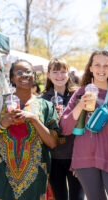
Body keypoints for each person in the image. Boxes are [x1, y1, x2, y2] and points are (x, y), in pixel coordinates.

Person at [0, 59, 61, 199]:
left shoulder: (46, 106)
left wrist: (34, 119)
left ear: (34, 76)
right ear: (12, 79)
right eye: (19, 72)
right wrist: (2, 124)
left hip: (35, 184)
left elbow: (52, 143)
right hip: (0, 181)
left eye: (28, 71)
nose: (24, 75)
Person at [60, 50, 108, 200]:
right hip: (84, 161)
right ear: (91, 68)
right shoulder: (80, 93)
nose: (101, 69)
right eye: (97, 65)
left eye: (106, 65)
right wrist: (80, 105)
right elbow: (64, 127)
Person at [40, 58, 84, 200]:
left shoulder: (78, 95)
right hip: (54, 158)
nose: (60, 76)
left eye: (63, 72)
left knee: (77, 197)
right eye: (55, 72)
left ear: (68, 73)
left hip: (76, 157)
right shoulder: (42, 99)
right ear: (48, 75)